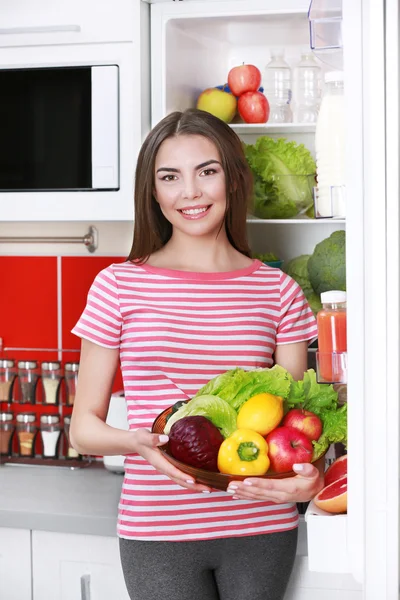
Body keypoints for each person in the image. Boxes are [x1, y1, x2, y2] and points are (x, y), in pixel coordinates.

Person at [70, 108, 323, 600]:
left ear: (232, 178)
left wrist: (307, 481)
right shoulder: (118, 286)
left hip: (260, 525)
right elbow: (84, 430)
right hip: (158, 528)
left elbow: (297, 430)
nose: (190, 192)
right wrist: (138, 443)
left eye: (206, 171)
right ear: (153, 191)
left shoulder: (278, 292)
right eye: (170, 177)